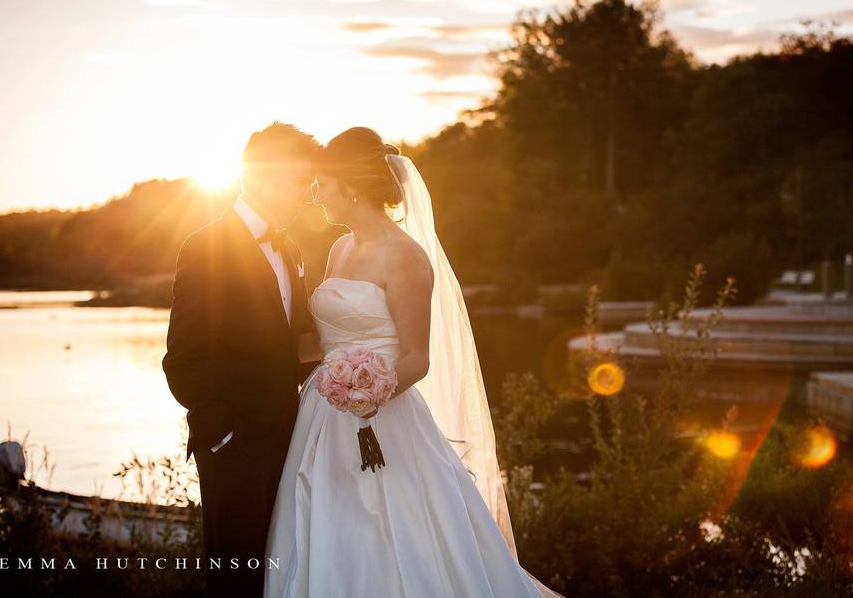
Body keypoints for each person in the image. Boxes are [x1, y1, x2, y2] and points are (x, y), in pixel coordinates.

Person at [264, 127, 563, 597]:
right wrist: (251, 355)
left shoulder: (405, 256)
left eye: (323, 182)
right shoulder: (339, 249)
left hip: (383, 420)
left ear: (350, 185)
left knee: (392, 534)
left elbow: (415, 358)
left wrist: (368, 393)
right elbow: (326, 340)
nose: (316, 192)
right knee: (324, 531)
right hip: (322, 418)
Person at [163, 122, 319, 597]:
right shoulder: (205, 245)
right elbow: (184, 359)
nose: (307, 194)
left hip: (291, 442)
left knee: (283, 573)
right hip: (233, 451)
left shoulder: (289, 247)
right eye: (300, 181)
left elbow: (289, 347)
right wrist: (223, 436)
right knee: (235, 579)